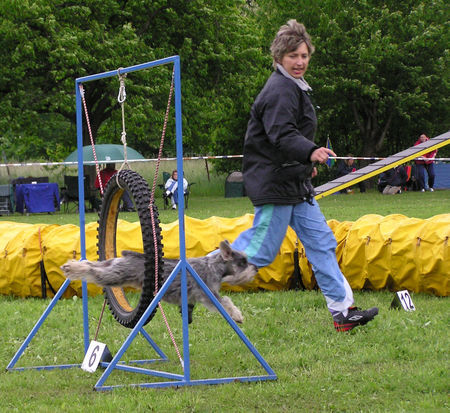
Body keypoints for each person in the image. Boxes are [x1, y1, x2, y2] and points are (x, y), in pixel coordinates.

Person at [229, 19, 378, 332]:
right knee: (260, 250)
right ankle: (195, 280)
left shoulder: (294, 87)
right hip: (274, 185)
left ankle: (343, 313)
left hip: (294, 184)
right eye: (293, 56)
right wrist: (310, 151)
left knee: (321, 243)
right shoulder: (279, 89)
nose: (299, 62)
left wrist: (304, 163)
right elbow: (281, 134)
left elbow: (286, 141)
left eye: (304, 55)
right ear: (279, 57)